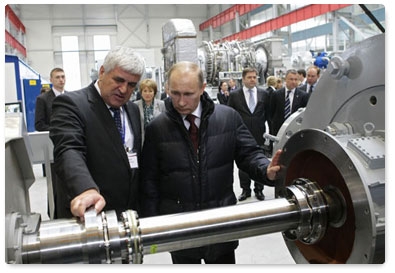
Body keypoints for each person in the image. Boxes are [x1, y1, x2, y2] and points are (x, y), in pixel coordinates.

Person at [140, 61, 282, 264]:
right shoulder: (157, 128)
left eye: (188, 94)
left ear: (202, 88)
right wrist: (152, 227)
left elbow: (249, 154)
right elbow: (149, 180)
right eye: (175, 93)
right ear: (167, 89)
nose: (180, 102)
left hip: (220, 223)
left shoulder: (227, 118)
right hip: (180, 227)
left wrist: (266, 170)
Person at [49, 46, 145, 219]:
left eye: (131, 85)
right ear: (102, 72)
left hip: (126, 216)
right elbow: (69, 150)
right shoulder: (71, 104)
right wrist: (85, 189)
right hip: (91, 214)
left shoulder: (132, 109)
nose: (124, 90)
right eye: (118, 80)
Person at [227, 67, 269, 202]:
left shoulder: (264, 94)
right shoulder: (235, 95)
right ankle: (245, 190)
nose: (252, 80)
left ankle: (259, 189)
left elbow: (269, 114)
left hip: (259, 134)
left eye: (254, 77)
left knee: (260, 161)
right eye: (249, 77)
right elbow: (230, 115)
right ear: (243, 79)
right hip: (241, 135)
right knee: (243, 163)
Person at [34, 68, 66, 219]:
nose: (61, 80)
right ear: (51, 80)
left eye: (63, 77)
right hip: (53, 147)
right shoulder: (43, 99)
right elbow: (39, 124)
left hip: (71, 145)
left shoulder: (71, 97)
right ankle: (54, 213)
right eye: (58, 77)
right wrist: (58, 130)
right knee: (54, 183)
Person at [269, 69, 309, 137]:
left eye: (296, 79)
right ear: (285, 80)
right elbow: (271, 112)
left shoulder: (303, 95)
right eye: (291, 79)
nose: (293, 82)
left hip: (295, 130)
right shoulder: (276, 94)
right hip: (279, 130)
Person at [134, 78, 165, 143]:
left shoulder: (161, 104)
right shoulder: (135, 105)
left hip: (158, 139)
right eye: (145, 91)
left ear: (154, 92)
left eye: (150, 91)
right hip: (141, 141)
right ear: (141, 92)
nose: (147, 94)